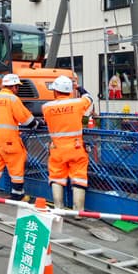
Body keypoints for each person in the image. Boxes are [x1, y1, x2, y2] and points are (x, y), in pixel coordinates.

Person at [42, 75, 94, 216]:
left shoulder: (46, 107)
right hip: (76, 148)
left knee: (56, 178)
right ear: (70, 91)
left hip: (57, 149)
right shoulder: (78, 103)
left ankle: (58, 209)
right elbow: (89, 98)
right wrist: (79, 87)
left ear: (55, 91)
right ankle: (78, 212)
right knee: (79, 178)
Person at [0, 73, 38, 202]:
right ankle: (17, 195)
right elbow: (25, 118)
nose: (17, 89)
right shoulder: (13, 99)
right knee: (16, 168)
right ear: (14, 87)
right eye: (17, 87)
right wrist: (36, 123)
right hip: (10, 141)